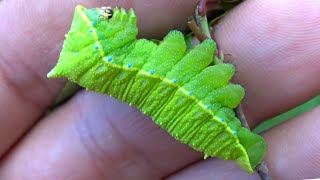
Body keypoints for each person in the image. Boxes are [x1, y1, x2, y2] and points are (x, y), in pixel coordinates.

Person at [0, 0, 319, 179]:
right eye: (108, 16)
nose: (114, 12)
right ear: (104, 50)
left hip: (209, 117)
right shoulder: (140, 61)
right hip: (213, 119)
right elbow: (179, 46)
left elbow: (176, 52)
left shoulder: (136, 63)